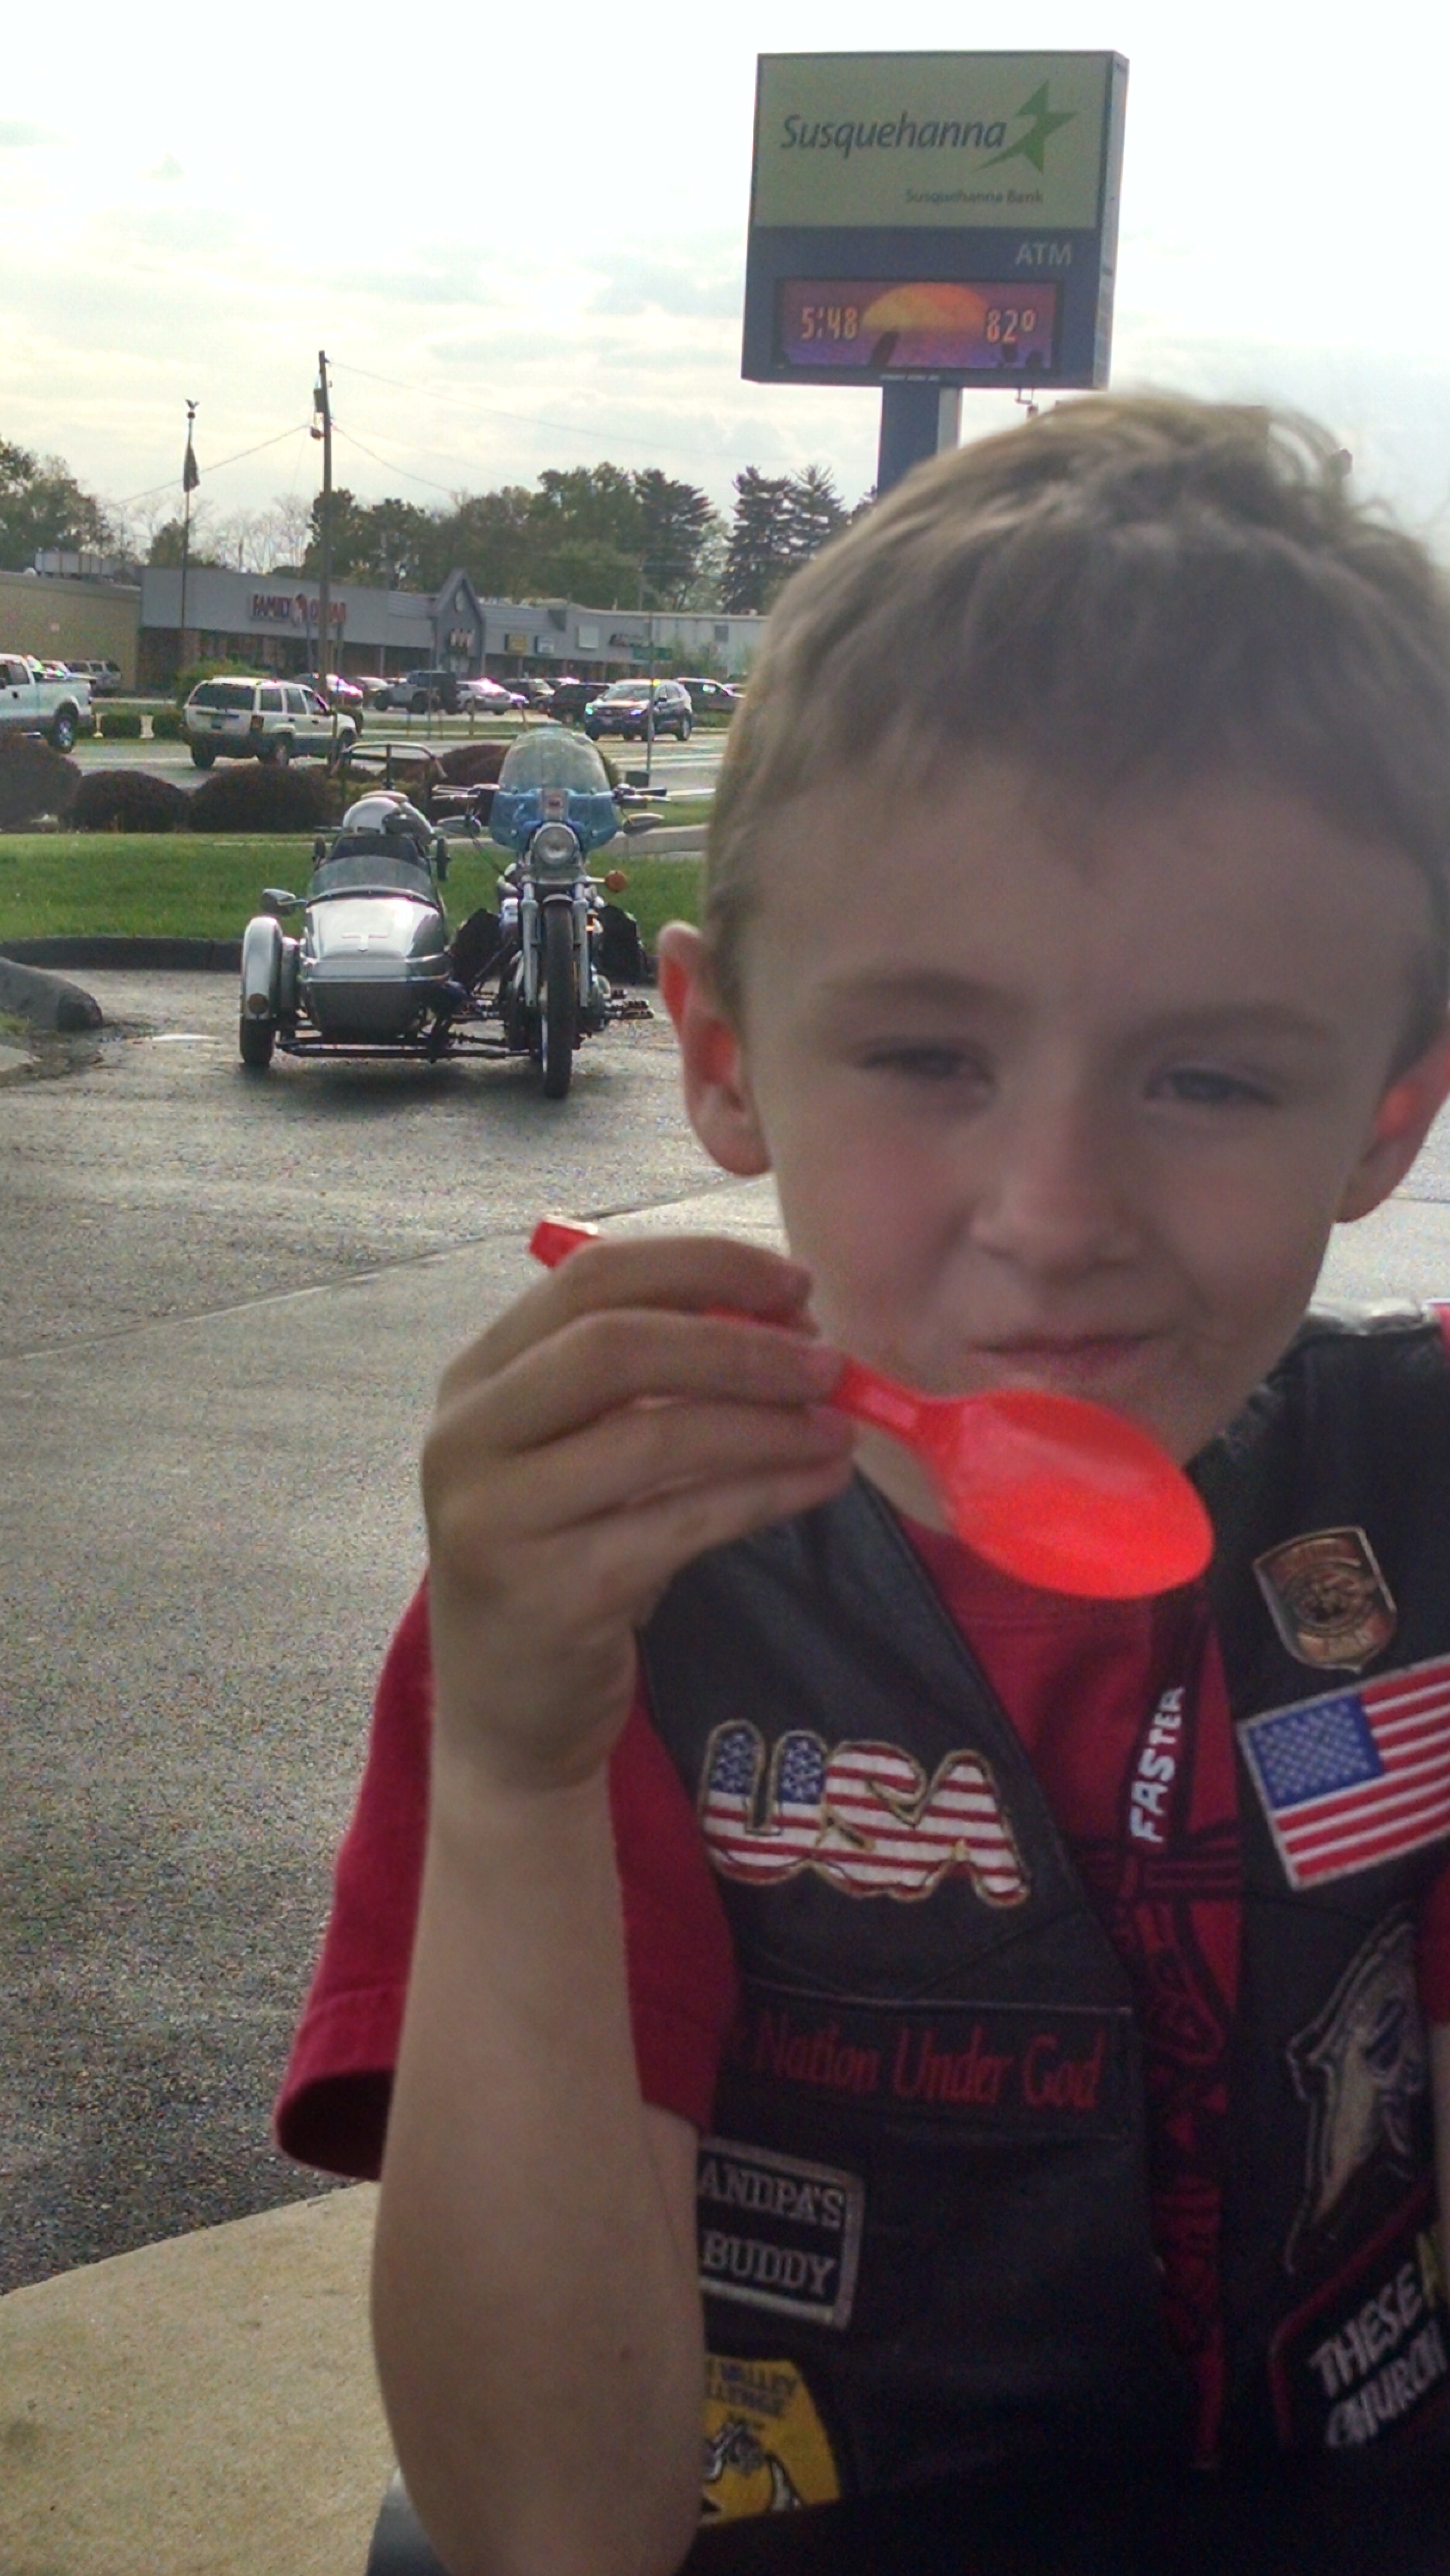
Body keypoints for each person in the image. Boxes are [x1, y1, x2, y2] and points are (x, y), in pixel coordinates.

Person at [275, 397, 1450, 2575]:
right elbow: (546, 2525)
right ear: (727, 1062)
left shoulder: (1421, 1498)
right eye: (928, 1056)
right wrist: (519, 1773)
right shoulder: (601, 1605)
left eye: (1211, 1077)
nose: (1056, 1213)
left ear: (1384, 1120)